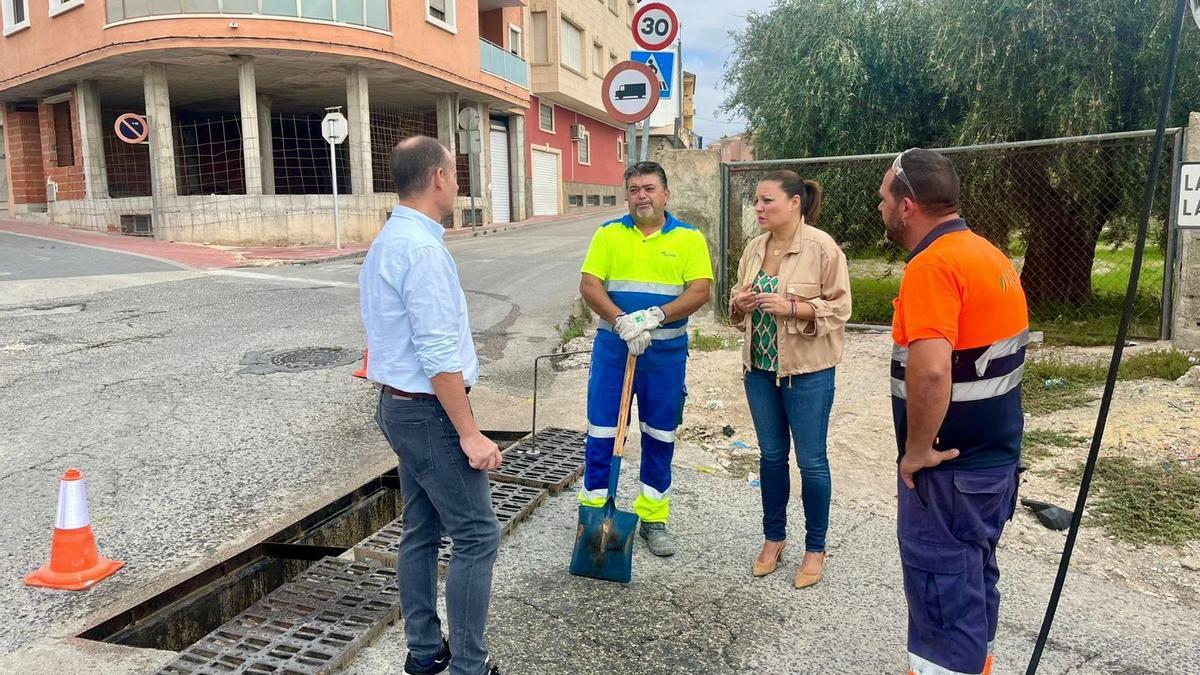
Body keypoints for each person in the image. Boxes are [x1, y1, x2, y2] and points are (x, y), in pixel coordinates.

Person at [879, 148, 1028, 675]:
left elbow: (933, 372)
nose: (880, 208)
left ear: (908, 205)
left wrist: (917, 451)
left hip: (949, 473)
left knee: (940, 589)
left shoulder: (932, 265)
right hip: (993, 464)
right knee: (972, 577)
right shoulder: (987, 254)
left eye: (884, 199)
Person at [360, 135, 503, 675]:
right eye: (454, 170)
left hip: (400, 406)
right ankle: (469, 665)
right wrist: (469, 433)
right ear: (438, 178)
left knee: (422, 527)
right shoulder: (421, 250)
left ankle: (424, 651)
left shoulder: (389, 240)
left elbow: (388, 329)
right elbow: (438, 352)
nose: (457, 181)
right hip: (428, 412)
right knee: (476, 534)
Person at [577, 160, 714, 557]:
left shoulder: (688, 239)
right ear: (626, 195)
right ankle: (593, 514)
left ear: (665, 194)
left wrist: (656, 316)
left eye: (650, 188)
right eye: (635, 189)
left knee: (659, 435)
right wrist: (620, 321)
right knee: (602, 432)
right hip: (614, 353)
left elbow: (700, 290)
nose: (642, 196)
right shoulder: (609, 234)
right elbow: (589, 284)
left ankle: (653, 517)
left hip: (665, 357)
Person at [729, 171, 851, 588]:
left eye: (767, 201)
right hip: (759, 371)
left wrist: (793, 308)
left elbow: (840, 309)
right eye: (757, 202)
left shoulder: (822, 247)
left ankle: (815, 548)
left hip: (807, 373)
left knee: (812, 462)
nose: (759, 209)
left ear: (795, 203)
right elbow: (737, 308)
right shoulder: (753, 249)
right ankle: (773, 538)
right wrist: (739, 302)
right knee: (770, 457)